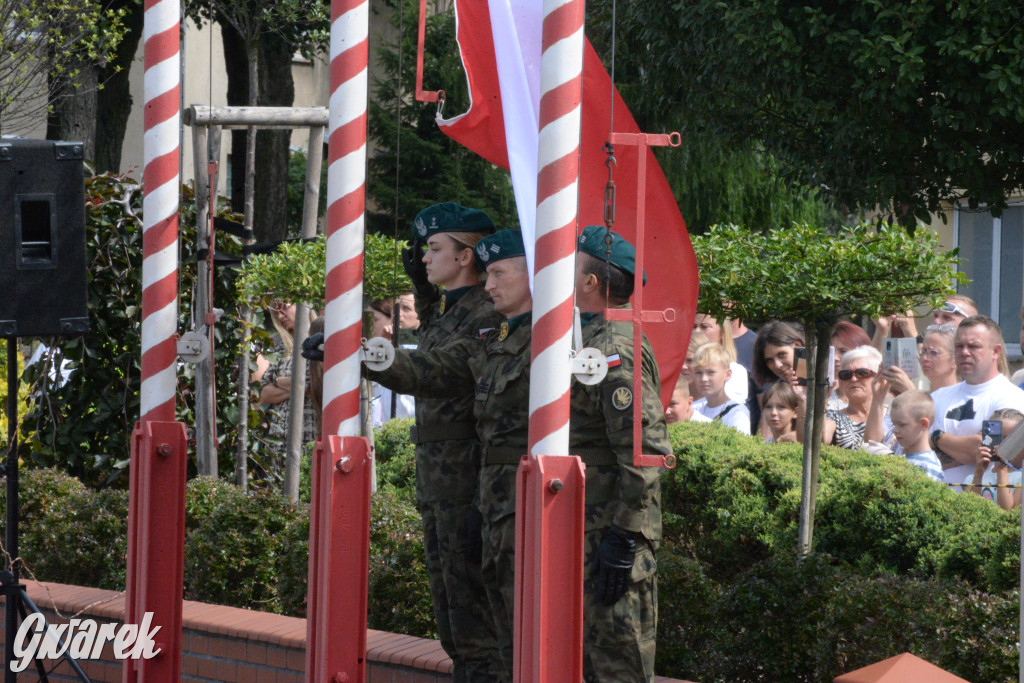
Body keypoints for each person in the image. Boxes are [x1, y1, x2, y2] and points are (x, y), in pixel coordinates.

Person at [365, 228, 531, 682]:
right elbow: (437, 337)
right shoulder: (451, 310)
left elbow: (440, 368)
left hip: (469, 482)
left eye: (434, 249)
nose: (424, 257)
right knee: (456, 625)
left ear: (464, 256)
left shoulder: (485, 315)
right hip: (444, 481)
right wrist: (421, 288)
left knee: (479, 627)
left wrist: (367, 357)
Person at [570, 225, 670, 682]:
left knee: (617, 664)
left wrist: (624, 534)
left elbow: (645, 449)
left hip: (612, 531)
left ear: (591, 281)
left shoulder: (612, 349)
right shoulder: (589, 338)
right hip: (593, 525)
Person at [930, 316, 1024, 485]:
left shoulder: (1012, 398)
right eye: (959, 346)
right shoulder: (938, 397)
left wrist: (936, 438)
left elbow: (983, 450)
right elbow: (913, 442)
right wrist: (961, 448)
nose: (965, 352)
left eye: (973, 346)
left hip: (981, 504)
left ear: (995, 351)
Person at [259, 299, 318, 470]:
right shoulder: (281, 348)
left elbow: (318, 387)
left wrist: (281, 382)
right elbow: (265, 393)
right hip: (280, 441)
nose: (280, 315)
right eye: (276, 312)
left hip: (311, 435)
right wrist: (300, 387)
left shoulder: (322, 343)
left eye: (284, 308)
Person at [751, 321, 806, 438]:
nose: (777, 365)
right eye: (769, 360)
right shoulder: (776, 390)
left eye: (782, 355)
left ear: (797, 345)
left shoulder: (824, 383)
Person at [822, 345, 882, 450]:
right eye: (846, 375)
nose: (853, 379)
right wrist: (822, 400)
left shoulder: (894, 415)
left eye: (862, 373)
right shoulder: (833, 416)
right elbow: (821, 439)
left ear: (878, 376)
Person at [965, 408, 1024, 506]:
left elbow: (1008, 513)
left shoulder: (1021, 478)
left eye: (1009, 438)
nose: (1002, 444)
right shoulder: (972, 479)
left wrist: (1001, 469)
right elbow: (970, 510)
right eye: (998, 438)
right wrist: (978, 474)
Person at [691, 343, 751, 434]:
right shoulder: (695, 408)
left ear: (727, 374)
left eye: (711, 372)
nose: (703, 379)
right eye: (698, 373)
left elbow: (739, 446)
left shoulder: (737, 413)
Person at [888, 390, 943, 482]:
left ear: (923, 424)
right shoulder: (901, 458)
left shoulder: (928, 465)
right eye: (894, 424)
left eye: (902, 425)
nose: (895, 430)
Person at [692, 313, 748, 403]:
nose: (696, 332)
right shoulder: (682, 367)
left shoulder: (736, 371)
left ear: (722, 333)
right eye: (694, 326)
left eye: (704, 327)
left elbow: (727, 407)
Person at [829, 321, 872, 410]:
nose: (835, 358)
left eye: (843, 351)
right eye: (831, 352)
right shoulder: (822, 395)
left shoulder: (881, 396)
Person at [681, 331, 710, 402]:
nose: (683, 366)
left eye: (690, 360)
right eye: (680, 360)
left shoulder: (717, 403)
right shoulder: (668, 399)